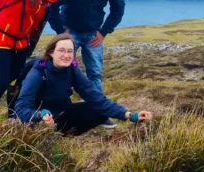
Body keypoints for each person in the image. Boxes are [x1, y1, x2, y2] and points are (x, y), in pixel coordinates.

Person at [15, 34, 152, 135]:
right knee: (39, 123)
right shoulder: (38, 72)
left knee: (99, 111)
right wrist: (40, 115)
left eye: (70, 51)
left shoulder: (72, 69)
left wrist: (129, 115)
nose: (66, 55)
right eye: (61, 50)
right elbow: (21, 109)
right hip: (37, 120)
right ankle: (45, 137)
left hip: (61, 115)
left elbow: (95, 97)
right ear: (51, 52)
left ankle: (61, 136)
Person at [48, 0, 125, 128]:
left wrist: (103, 32)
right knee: (62, 70)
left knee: (95, 73)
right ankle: (61, 112)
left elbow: (118, 10)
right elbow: (52, 5)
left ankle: (98, 113)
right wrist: (61, 31)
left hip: (93, 32)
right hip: (70, 32)